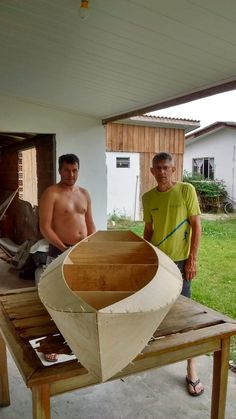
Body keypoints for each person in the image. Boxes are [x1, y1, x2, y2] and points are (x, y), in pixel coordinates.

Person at [142, 152, 204, 397]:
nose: (162, 172)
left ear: (173, 168)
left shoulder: (186, 190)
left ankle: (191, 366)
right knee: (156, 308)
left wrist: (192, 259)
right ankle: (157, 351)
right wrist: (142, 257)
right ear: (151, 171)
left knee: (185, 313)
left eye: (166, 167)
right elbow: (148, 230)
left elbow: (197, 225)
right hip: (158, 262)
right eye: (157, 168)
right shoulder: (148, 198)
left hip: (180, 262)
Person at [39, 153, 96, 361]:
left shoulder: (84, 193)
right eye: (66, 170)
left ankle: (75, 340)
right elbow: (44, 227)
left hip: (81, 252)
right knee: (56, 297)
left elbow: (90, 224)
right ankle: (50, 343)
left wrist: (92, 246)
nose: (71, 174)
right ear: (59, 170)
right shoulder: (51, 193)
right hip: (59, 251)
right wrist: (64, 249)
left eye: (74, 170)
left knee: (80, 298)